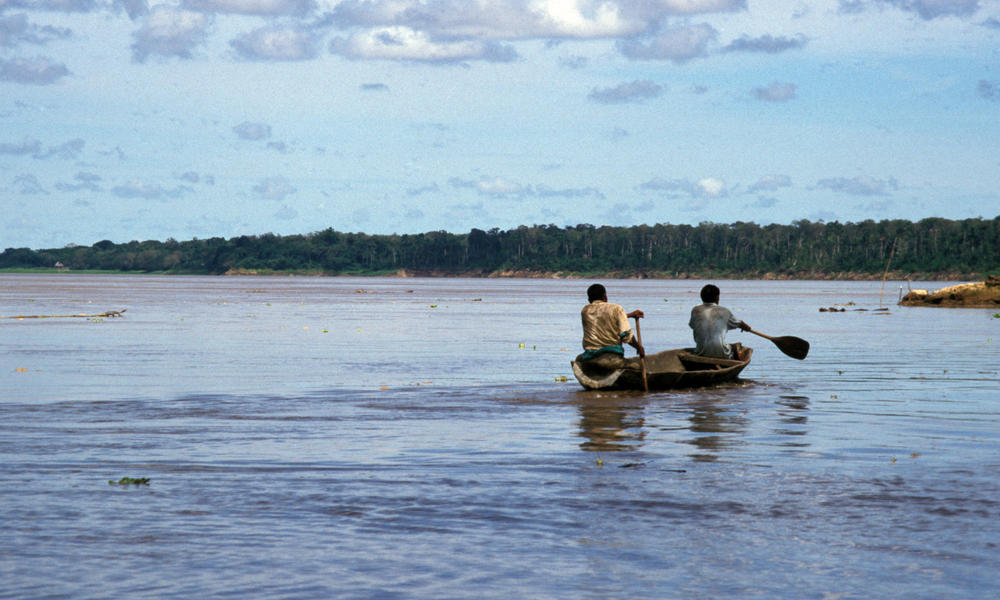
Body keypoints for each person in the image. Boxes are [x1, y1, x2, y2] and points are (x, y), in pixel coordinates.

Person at [576, 283, 645, 371]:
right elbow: (626, 335)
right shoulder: (616, 308)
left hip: (589, 358)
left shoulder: (585, 311)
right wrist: (638, 347)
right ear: (605, 296)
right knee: (637, 366)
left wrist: (629, 315)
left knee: (578, 359)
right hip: (611, 359)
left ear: (589, 299)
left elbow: (601, 318)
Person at [689, 284, 750, 359]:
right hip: (722, 354)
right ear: (717, 297)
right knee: (736, 348)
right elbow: (739, 323)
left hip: (700, 353)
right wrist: (747, 328)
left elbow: (692, 325)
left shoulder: (695, 310)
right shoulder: (725, 311)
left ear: (702, 297)